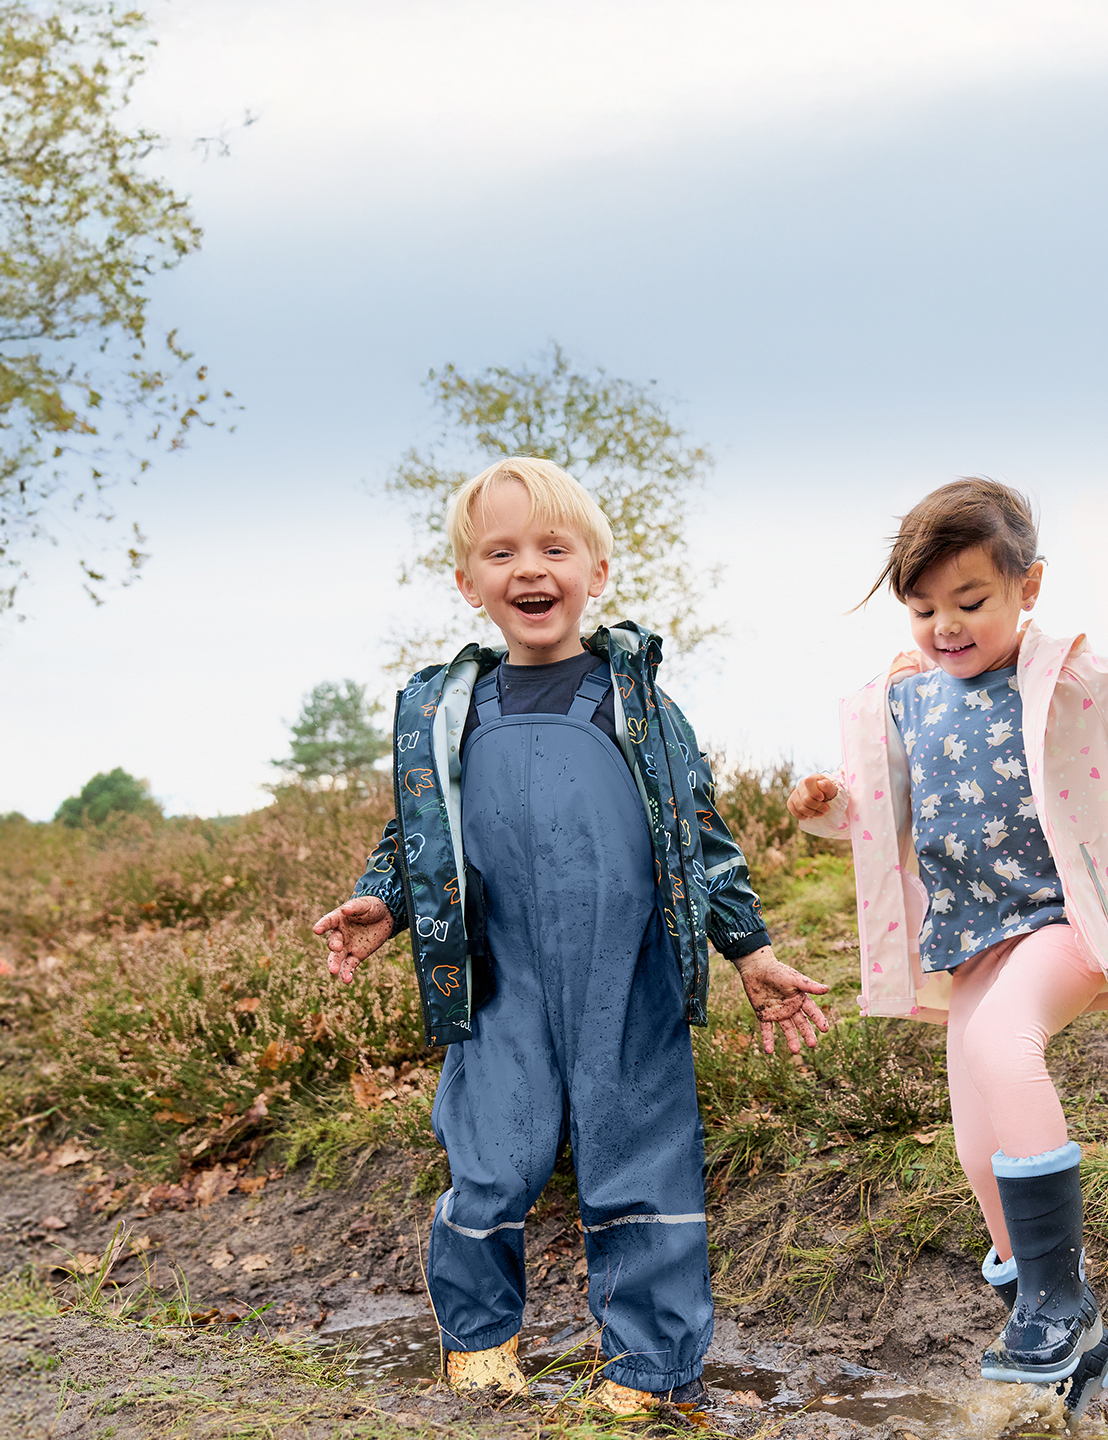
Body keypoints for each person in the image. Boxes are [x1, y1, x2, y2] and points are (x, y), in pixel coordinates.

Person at [314, 457, 831, 1415]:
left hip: (623, 970)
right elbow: (415, 831)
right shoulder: (451, 711)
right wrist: (382, 901)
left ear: (598, 570)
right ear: (469, 584)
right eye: (501, 552)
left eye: (554, 548)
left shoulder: (635, 703)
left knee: (637, 1159)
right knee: (490, 1155)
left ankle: (649, 1368)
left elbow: (698, 836)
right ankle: (479, 1338)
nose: (530, 569)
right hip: (498, 971)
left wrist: (751, 952)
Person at [787, 478, 1108, 1416]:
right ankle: (1061, 1335)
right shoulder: (907, 702)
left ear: (1027, 587)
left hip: (1060, 924)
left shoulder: (1070, 681)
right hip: (970, 944)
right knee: (976, 1138)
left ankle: (1056, 1302)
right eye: (925, 608)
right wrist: (828, 807)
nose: (946, 627)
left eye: (971, 602)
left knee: (1009, 1042)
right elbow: (875, 805)